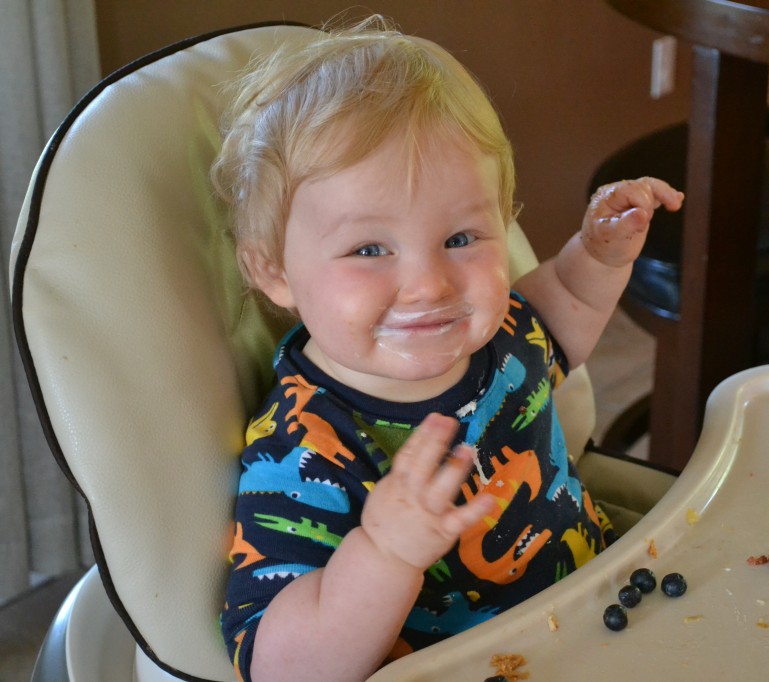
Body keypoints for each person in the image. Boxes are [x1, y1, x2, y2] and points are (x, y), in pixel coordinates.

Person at [213, 16, 683, 682]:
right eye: (370, 249)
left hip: (602, 618)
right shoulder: (302, 449)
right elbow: (279, 667)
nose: (429, 284)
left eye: (461, 238)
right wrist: (385, 552)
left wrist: (599, 255)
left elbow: (567, 309)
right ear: (274, 273)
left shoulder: (505, 338)